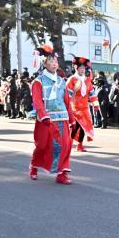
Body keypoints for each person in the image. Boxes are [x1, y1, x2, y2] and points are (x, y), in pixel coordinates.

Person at [29, 45, 74, 184]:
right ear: (44, 63)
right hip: (46, 119)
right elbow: (37, 101)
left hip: (63, 117)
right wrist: (43, 115)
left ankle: (62, 174)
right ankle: (34, 166)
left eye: (55, 61)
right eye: (51, 61)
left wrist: (71, 118)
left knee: (65, 145)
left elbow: (66, 101)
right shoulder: (38, 81)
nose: (54, 64)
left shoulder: (62, 81)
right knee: (42, 145)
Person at [67, 57, 99, 152]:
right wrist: (66, 106)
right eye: (80, 68)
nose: (82, 70)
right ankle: (69, 143)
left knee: (83, 127)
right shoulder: (72, 79)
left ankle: (80, 145)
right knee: (75, 127)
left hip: (85, 108)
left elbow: (92, 93)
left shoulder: (87, 80)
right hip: (74, 108)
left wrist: (95, 104)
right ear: (76, 69)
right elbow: (67, 94)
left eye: (83, 68)